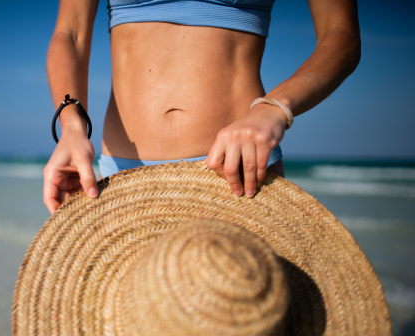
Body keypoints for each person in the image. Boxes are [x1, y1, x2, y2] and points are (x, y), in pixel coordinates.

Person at [43, 0, 361, 214]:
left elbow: (341, 35)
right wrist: (71, 125)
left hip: (236, 169)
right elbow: (69, 33)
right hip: (123, 172)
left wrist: (275, 108)